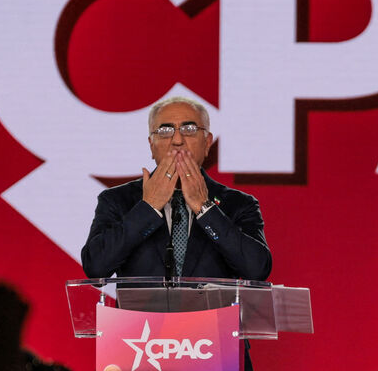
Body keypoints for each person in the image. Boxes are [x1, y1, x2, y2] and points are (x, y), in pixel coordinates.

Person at [80, 96, 271, 282]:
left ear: (207, 143)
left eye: (189, 129)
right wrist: (148, 208)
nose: (177, 140)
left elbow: (257, 270)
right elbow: (95, 267)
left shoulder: (239, 204)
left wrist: (205, 209)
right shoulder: (117, 199)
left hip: (212, 306)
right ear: (151, 145)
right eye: (165, 130)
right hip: (143, 307)